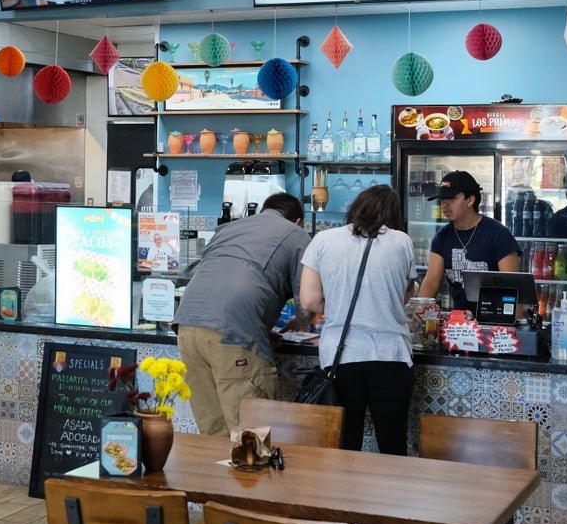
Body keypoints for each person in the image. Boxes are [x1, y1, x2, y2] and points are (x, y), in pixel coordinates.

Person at [174, 192, 309, 436]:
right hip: (231, 335)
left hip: (186, 326)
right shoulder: (296, 234)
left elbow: (223, 278)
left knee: (214, 435)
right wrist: (303, 322)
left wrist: (258, 330)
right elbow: (307, 299)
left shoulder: (228, 229)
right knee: (251, 436)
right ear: (298, 220)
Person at [298, 185, 417, 455]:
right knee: (392, 443)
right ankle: (389, 496)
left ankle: (341, 496)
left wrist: (338, 305)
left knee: (344, 445)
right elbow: (404, 294)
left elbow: (309, 302)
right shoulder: (401, 241)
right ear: (394, 215)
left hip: (341, 357)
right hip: (391, 355)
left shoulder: (323, 240)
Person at [417, 171, 521, 308]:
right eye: (442, 200)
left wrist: (514, 325)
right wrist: (417, 313)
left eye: (452, 199)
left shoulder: (498, 235)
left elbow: (513, 287)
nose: (445, 205)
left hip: (495, 322)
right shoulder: (442, 237)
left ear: (470, 200)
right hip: (460, 323)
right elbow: (431, 281)